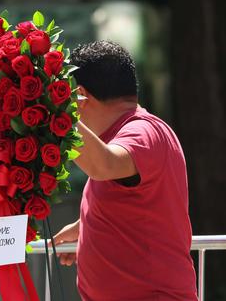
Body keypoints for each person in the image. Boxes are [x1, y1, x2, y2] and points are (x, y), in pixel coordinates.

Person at [53, 41, 197, 300]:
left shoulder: (141, 131)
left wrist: (58, 108)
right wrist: (85, 228)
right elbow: (137, 206)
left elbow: (103, 165)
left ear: (80, 96)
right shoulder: (129, 132)